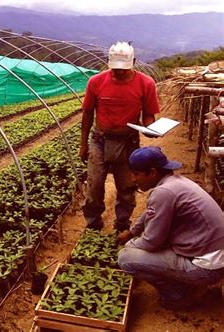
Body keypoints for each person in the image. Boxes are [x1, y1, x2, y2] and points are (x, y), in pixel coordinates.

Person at [117, 146, 224, 309]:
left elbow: (151, 242)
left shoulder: (164, 192)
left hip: (207, 268)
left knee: (126, 258)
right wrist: (132, 232)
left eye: (136, 174)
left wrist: (130, 245)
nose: (133, 179)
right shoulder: (175, 183)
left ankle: (178, 295)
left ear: (152, 172)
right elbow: (149, 213)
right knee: (146, 246)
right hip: (214, 256)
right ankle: (189, 285)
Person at [80, 41, 160, 231]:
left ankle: (122, 223)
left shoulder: (146, 83)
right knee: (95, 184)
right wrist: (83, 144)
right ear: (109, 63)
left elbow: (148, 114)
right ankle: (93, 223)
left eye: (124, 69)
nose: (119, 72)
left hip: (128, 141)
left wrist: (152, 128)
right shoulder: (96, 82)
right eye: (115, 68)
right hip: (100, 140)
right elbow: (87, 113)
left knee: (126, 186)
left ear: (134, 62)